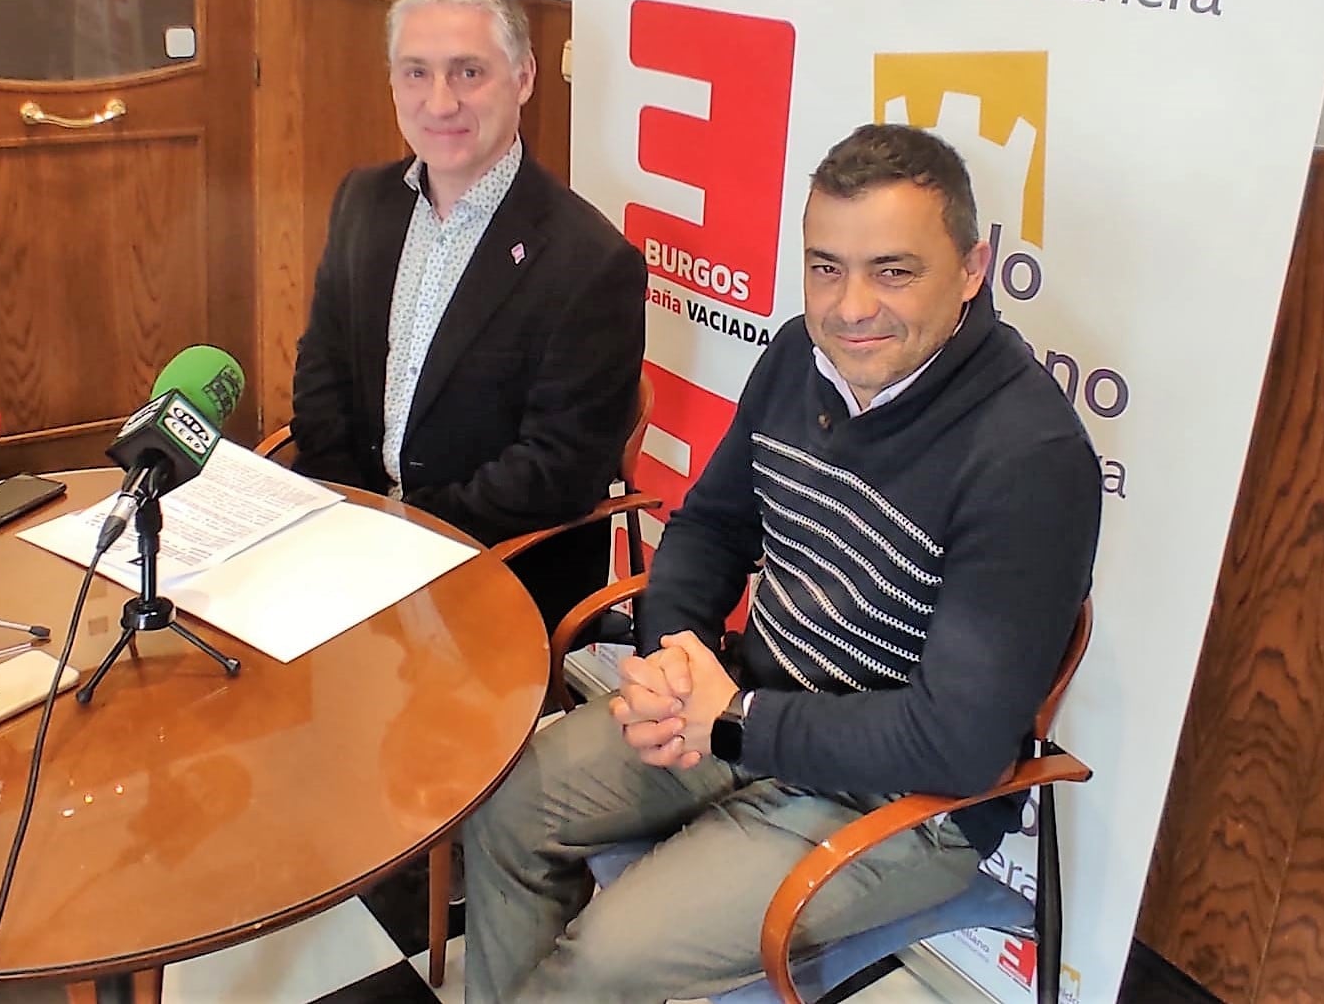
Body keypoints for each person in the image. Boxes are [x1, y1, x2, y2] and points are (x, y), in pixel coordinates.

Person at [464, 124, 1101, 1002]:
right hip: (746, 710)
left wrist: (733, 720)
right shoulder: (801, 354)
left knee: (603, 964)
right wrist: (677, 656)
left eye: (894, 269)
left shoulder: (1029, 459)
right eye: (825, 266)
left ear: (972, 268)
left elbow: (957, 744)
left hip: (895, 803)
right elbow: (713, 526)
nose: (849, 306)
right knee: (505, 809)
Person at [289, 0, 647, 630]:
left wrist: (403, 533)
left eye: (469, 72)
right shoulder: (363, 201)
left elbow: (556, 470)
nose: (440, 102)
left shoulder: (592, 263)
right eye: (416, 73)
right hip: (348, 535)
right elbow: (322, 374)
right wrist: (349, 515)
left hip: (491, 568)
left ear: (525, 78)